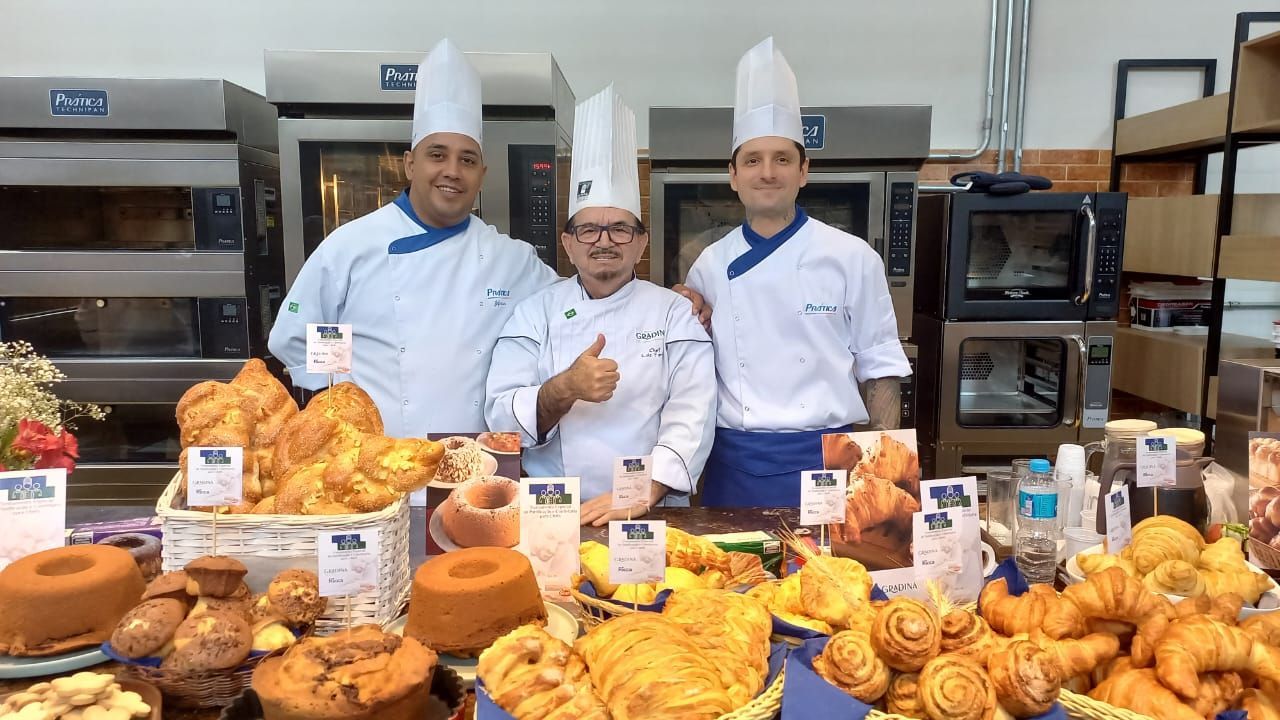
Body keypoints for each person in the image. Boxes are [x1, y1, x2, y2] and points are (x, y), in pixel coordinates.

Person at [684, 37, 911, 508]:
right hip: (734, 461)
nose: (767, 172)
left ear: (804, 170)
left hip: (833, 461)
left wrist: (885, 477)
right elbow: (691, 368)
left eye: (782, 159)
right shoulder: (709, 264)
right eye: (752, 160)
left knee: (835, 581)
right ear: (733, 175)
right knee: (728, 582)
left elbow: (881, 370)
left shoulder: (852, 257)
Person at [486, 86, 716, 526]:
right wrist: (565, 387)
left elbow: (694, 408)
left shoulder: (673, 313)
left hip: (650, 508)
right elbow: (500, 413)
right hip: (553, 511)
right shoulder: (534, 313)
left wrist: (647, 490)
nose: (605, 241)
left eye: (620, 229)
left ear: (642, 243)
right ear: (568, 245)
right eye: (589, 230)